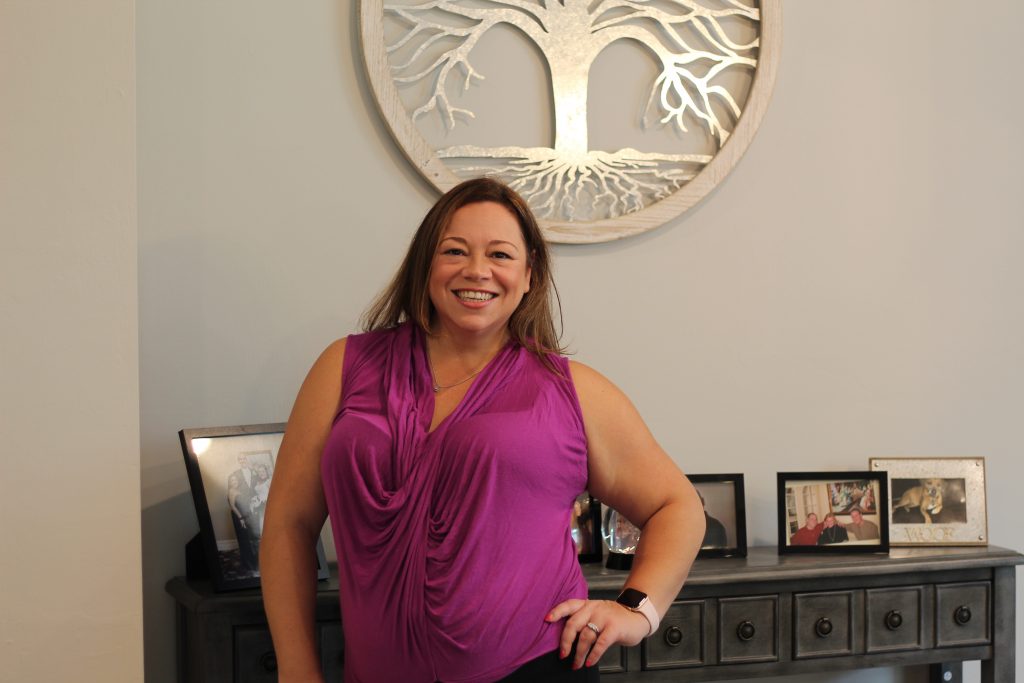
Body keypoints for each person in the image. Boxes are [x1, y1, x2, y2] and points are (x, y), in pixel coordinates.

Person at [260, 178, 706, 682]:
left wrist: (636, 611)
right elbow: (289, 526)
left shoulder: (573, 392)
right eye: (455, 250)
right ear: (425, 263)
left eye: (500, 254)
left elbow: (678, 506)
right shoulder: (343, 367)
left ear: (530, 274)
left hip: (534, 669)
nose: (477, 271)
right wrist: (296, 668)